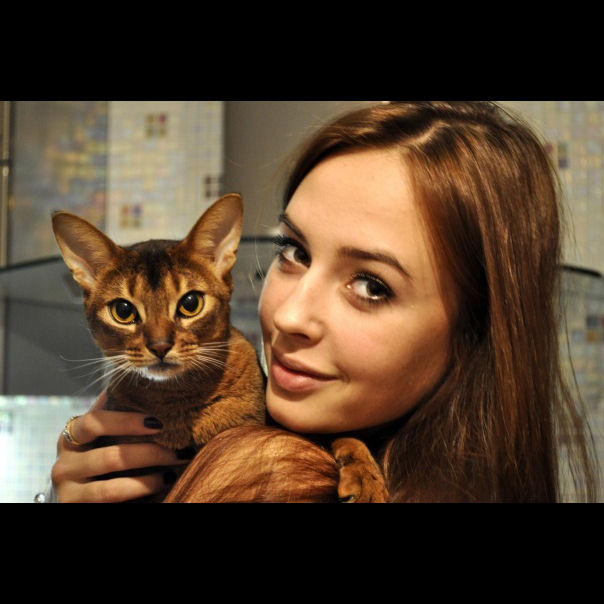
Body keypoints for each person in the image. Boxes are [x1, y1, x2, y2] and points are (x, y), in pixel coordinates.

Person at [49, 101, 599, 503]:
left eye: (372, 285)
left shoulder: (267, 475)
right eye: (293, 251)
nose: (289, 316)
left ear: (475, 329)